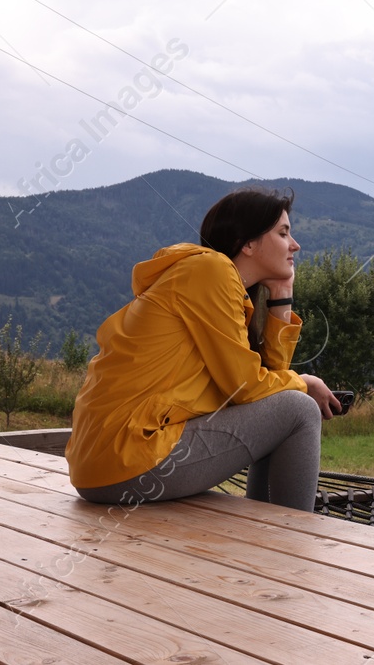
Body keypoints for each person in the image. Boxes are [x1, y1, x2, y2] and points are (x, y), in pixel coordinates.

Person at [66, 188, 341, 510]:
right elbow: (246, 387)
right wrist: (306, 382)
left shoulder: (216, 283)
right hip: (131, 457)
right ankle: (293, 544)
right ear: (248, 243)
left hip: (107, 464)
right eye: (283, 233)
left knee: (290, 405)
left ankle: (273, 537)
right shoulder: (211, 270)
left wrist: (281, 293)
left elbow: (267, 389)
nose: (295, 245)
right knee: (300, 409)